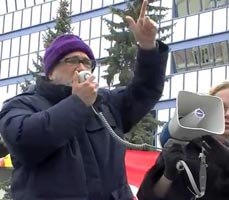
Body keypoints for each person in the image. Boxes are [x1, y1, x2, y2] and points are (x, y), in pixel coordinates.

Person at [0, 1, 169, 199]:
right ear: (50, 72)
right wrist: (78, 103)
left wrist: (148, 48)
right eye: (72, 60)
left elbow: (145, 91)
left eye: (86, 62)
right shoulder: (21, 105)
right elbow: (24, 142)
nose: (81, 67)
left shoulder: (105, 103)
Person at [137, 81, 229, 200]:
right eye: (222, 108)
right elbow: (147, 197)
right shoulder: (184, 147)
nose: (227, 114)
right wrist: (167, 176)